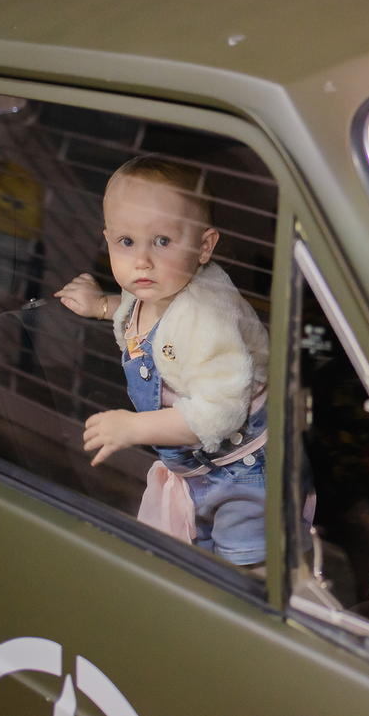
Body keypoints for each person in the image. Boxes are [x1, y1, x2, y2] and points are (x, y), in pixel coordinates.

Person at [55, 155, 271, 567]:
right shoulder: (157, 287)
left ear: (204, 246)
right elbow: (144, 315)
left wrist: (134, 427)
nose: (142, 261)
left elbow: (220, 413)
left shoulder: (206, 318)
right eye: (127, 242)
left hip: (245, 474)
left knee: (244, 577)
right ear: (108, 239)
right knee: (203, 567)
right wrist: (103, 304)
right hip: (203, 469)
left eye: (163, 241)